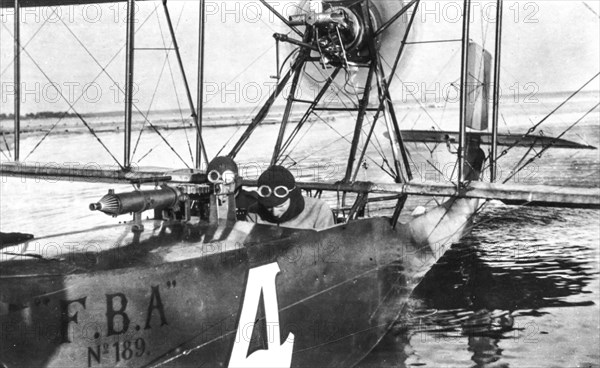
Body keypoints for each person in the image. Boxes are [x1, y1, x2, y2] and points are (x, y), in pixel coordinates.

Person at [246, 165, 334, 230]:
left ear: (293, 197)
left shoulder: (319, 209)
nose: (275, 213)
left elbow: (330, 248)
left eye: (280, 206)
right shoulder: (253, 213)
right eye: (268, 207)